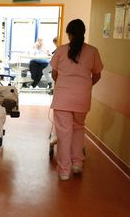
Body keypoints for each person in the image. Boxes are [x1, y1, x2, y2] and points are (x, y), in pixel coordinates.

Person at [50, 19, 103, 181]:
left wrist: (64, 84)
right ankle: (77, 164)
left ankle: (64, 171)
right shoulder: (93, 51)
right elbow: (97, 75)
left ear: (69, 34)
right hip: (82, 98)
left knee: (64, 134)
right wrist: (85, 86)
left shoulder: (60, 50)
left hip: (63, 99)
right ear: (83, 33)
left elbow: (54, 74)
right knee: (79, 129)